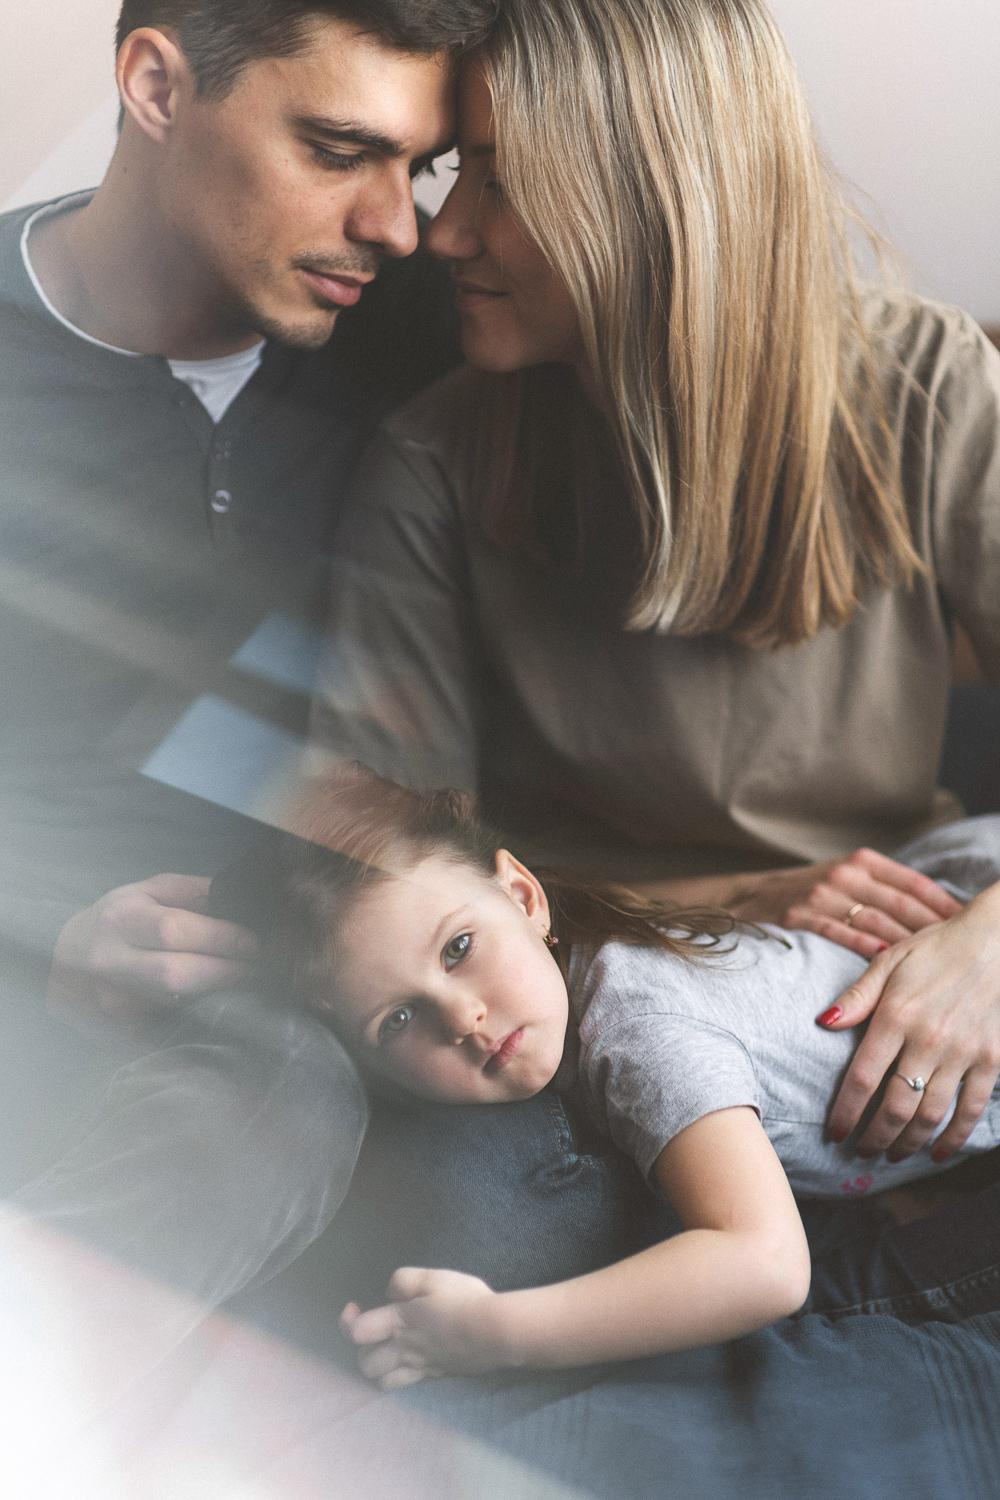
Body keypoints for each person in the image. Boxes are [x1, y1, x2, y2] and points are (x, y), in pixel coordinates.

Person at [312, 0, 1000, 1178]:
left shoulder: (926, 381)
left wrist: (986, 951)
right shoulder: (430, 465)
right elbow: (387, 886)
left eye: (496, 180)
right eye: (451, 175)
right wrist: (740, 891)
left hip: (898, 940)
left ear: (651, 193)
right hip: (601, 977)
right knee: (467, 1212)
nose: (441, 234)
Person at [0, 0, 497, 1426]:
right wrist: (49, 939)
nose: (396, 224)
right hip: (45, 968)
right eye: (339, 148)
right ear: (156, 83)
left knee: (282, 1092)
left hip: (298, 997)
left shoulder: (423, 334)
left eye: (421, 166)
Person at [209, 767, 1000, 1388]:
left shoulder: (637, 1031)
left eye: (457, 950)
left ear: (523, 895)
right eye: (400, 1021)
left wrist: (494, 1334)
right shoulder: (580, 961)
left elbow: (765, 1264)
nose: (464, 1021)